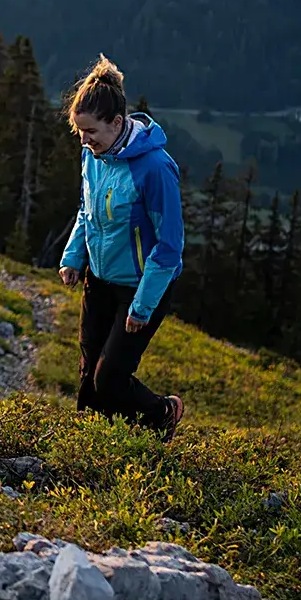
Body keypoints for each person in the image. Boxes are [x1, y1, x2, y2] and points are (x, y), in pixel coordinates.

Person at [59, 55, 186, 438]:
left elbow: (169, 246)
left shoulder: (155, 168)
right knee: (88, 375)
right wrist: (73, 256)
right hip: (98, 281)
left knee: (110, 379)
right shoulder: (92, 155)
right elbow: (88, 211)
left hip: (139, 287)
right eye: (79, 132)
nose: (84, 140)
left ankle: (163, 413)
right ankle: (91, 444)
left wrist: (142, 305)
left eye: (91, 132)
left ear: (117, 123)